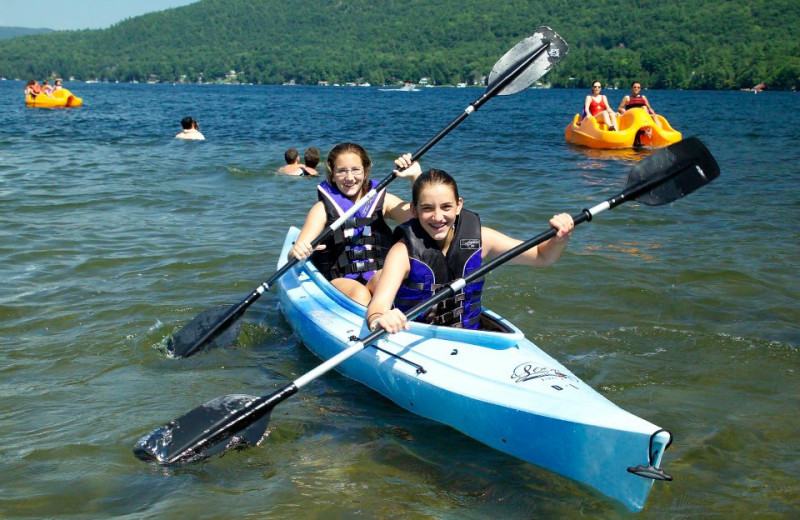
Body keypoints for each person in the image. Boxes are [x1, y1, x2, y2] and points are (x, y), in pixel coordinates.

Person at [365, 168, 574, 333]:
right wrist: (381, 318)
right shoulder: (402, 252)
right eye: (427, 208)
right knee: (377, 285)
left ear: (458, 205)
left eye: (446, 207)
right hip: (415, 335)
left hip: (469, 337)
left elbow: (542, 256)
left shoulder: (483, 238)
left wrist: (559, 239)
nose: (438, 217)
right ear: (414, 210)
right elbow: (378, 308)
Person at [289, 143, 421, 306]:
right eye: (342, 171)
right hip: (341, 281)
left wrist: (415, 177)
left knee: (392, 281)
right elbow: (293, 255)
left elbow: (421, 218)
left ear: (365, 170)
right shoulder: (321, 210)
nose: (350, 178)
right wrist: (298, 251)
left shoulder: (384, 201)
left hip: (376, 273)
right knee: (360, 294)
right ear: (332, 174)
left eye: (356, 170)